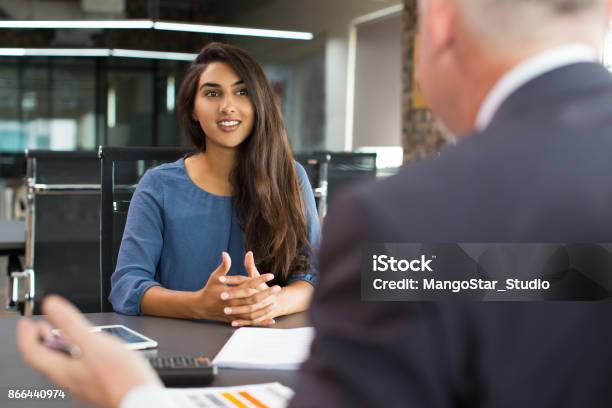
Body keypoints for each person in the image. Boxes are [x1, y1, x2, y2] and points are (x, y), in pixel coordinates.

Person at [15, 0, 612, 407]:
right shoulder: (480, 255)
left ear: (439, 24)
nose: (229, 107)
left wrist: (135, 396)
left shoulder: (406, 219)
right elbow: (555, 277)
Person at [108, 42, 320, 327]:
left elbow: (314, 275)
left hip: (267, 346)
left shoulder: (290, 177)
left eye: (242, 92)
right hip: (181, 348)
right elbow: (126, 285)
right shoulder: (158, 185)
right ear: (193, 109)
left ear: (259, 104)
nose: (227, 106)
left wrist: (271, 302)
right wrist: (198, 305)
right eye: (212, 93)